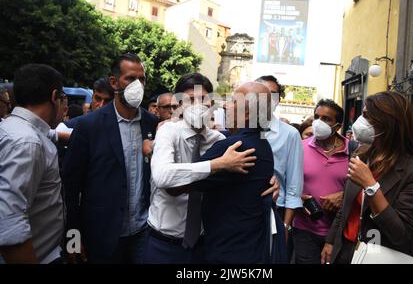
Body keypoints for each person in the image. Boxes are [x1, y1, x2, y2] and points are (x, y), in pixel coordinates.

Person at [144, 73, 279, 264]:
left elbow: (245, 170)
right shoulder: (168, 131)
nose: (198, 105)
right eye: (191, 99)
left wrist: (270, 180)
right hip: (164, 243)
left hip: (203, 246)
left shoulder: (221, 141)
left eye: (203, 99)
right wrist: (218, 164)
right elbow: (164, 179)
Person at [62, 53, 159, 263]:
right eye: (131, 79)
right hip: (101, 236)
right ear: (114, 82)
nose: (138, 85)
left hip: (143, 233)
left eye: (142, 79)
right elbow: (70, 187)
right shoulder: (89, 126)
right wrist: (73, 239)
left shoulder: (152, 123)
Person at [321, 91, 413, 264]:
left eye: (368, 116)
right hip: (345, 249)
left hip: (380, 256)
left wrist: (371, 185)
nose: (361, 122)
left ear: (389, 123)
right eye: (363, 114)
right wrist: (330, 241)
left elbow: (402, 234)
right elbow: (346, 206)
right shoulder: (362, 154)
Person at [0, 64, 65, 263]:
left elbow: (48, 135)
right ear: (54, 97)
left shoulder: (13, 128)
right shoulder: (28, 143)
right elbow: (9, 222)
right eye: (63, 99)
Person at [291, 99, 349, 264]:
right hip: (304, 229)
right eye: (317, 117)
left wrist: (344, 196)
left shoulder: (352, 151)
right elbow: (285, 183)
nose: (319, 122)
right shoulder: (299, 147)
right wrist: (298, 198)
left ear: (337, 125)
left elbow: (364, 189)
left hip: (339, 232)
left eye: (326, 119)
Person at [256, 75, 303, 262]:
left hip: (275, 210)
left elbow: (294, 185)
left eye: (273, 95)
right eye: (261, 93)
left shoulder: (290, 134)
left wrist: (285, 225)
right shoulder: (238, 127)